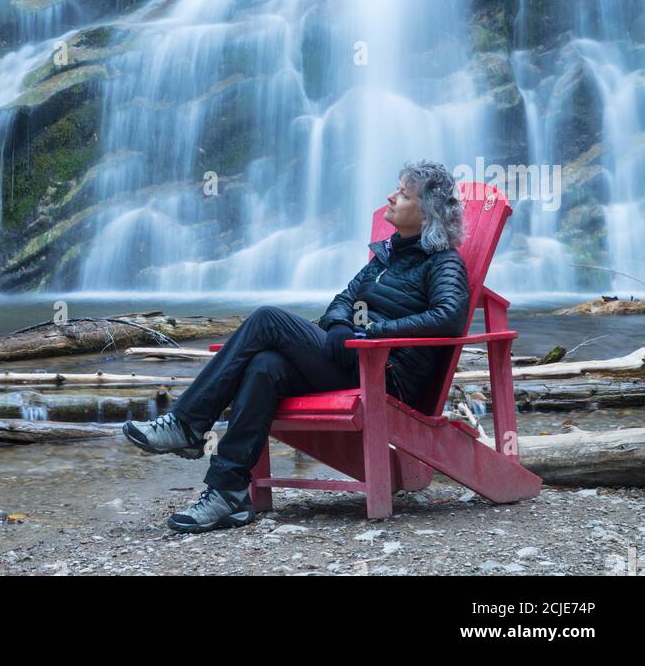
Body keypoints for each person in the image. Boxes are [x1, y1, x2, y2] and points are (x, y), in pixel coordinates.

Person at [122, 160, 470, 532]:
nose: (391, 196)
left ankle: (189, 424)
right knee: (265, 366)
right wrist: (339, 326)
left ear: (428, 211)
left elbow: (448, 316)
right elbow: (343, 299)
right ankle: (228, 492)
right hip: (350, 358)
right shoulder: (386, 257)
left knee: (267, 318)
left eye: (403, 193)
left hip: (384, 374)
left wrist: (374, 332)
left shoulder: (443, 263)